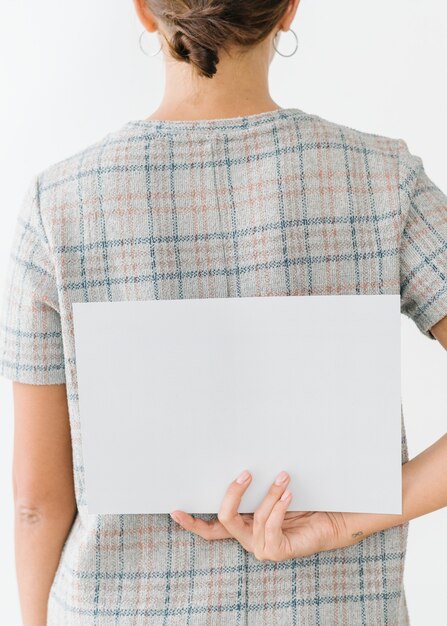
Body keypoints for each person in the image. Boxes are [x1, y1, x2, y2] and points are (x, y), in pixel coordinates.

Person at [0, 0, 446, 624]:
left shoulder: (58, 205)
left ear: (143, 11)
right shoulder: (382, 180)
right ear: (288, 10)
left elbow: (36, 505)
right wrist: (349, 520)